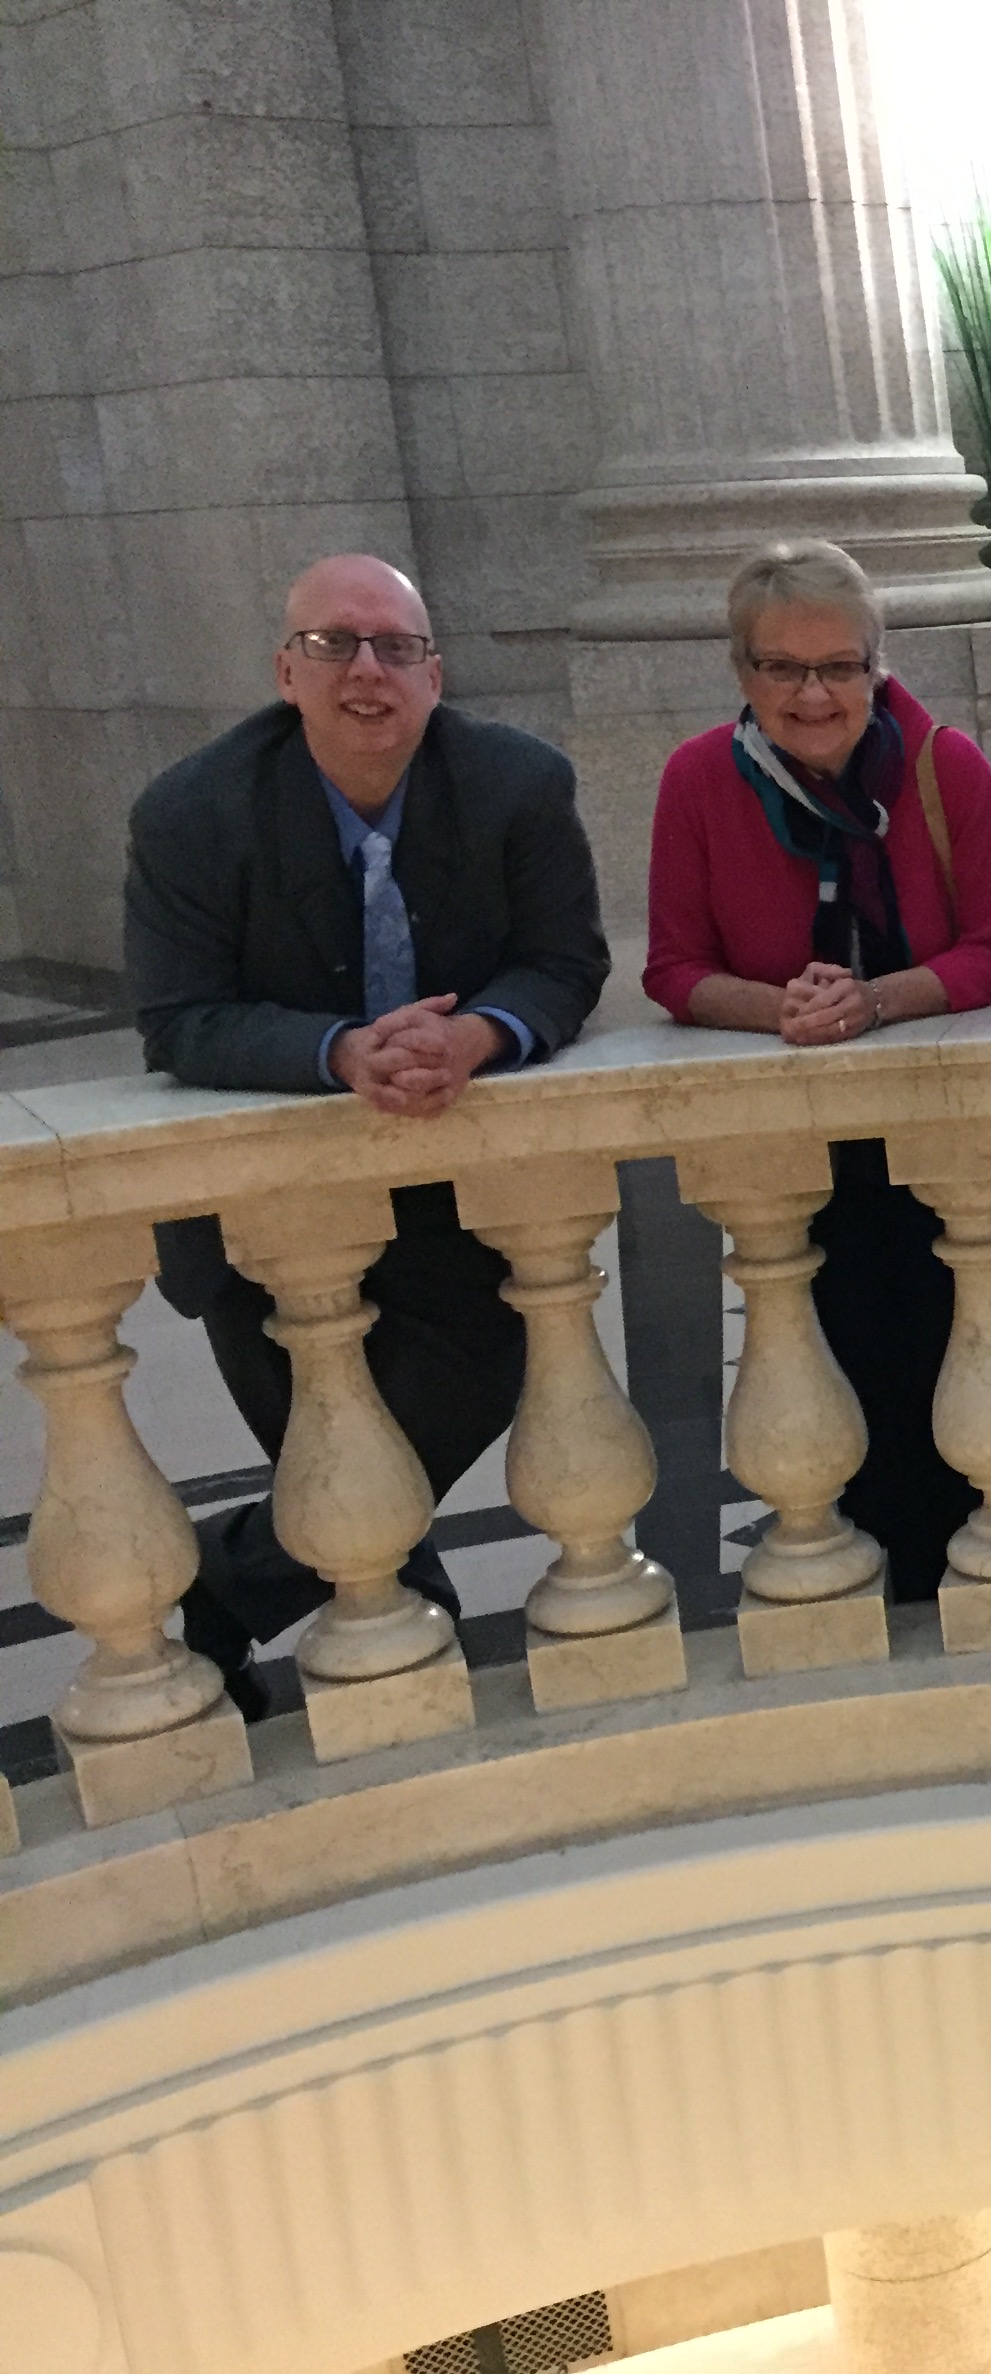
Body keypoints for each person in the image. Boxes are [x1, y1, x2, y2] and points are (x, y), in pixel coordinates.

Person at [124, 553, 611, 1713]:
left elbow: (564, 964)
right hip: (262, 1218)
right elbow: (180, 1020)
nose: (367, 671)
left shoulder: (517, 786)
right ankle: (405, 1677)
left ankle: (209, 1606)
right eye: (335, 645)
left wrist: (481, 1036)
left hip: (462, 1192)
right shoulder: (191, 814)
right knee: (341, 1455)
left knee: (472, 1381)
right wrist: (342, 1051)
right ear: (285, 672)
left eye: (397, 646)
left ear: (434, 675)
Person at [643, 539, 991, 1603]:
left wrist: (874, 1001)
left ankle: (982, 1586)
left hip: (942, 1132)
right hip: (794, 1144)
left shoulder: (942, 764)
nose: (814, 694)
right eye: (783, 668)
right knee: (830, 1365)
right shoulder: (695, 781)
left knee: (961, 1360)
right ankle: (879, 1598)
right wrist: (789, 1013)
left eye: (840, 666)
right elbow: (673, 969)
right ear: (743, 673)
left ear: (877, 664)